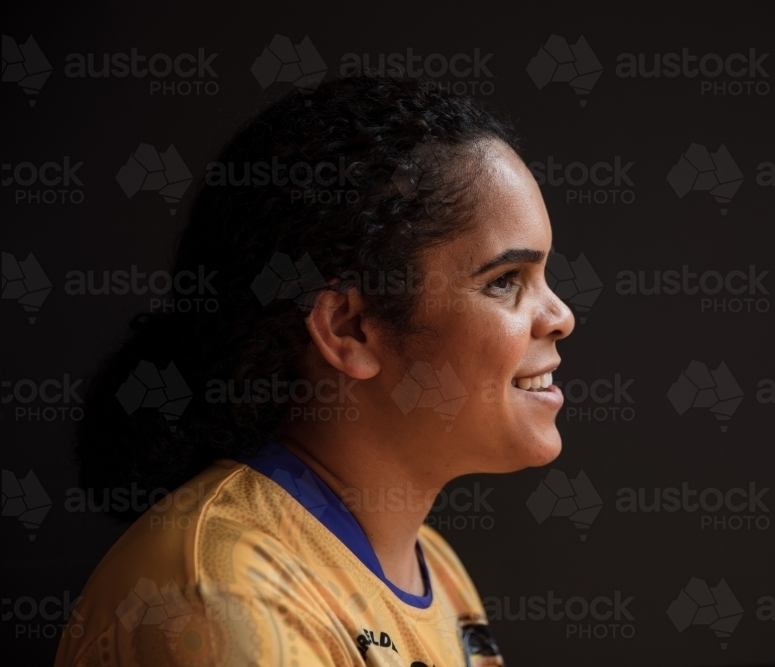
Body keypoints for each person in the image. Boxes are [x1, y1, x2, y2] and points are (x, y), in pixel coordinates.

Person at [54, 75, 575, 667]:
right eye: (506, 281)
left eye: (543, 278)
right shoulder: (223, 596)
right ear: (348, 329)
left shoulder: (438, 569)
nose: (561, 317)